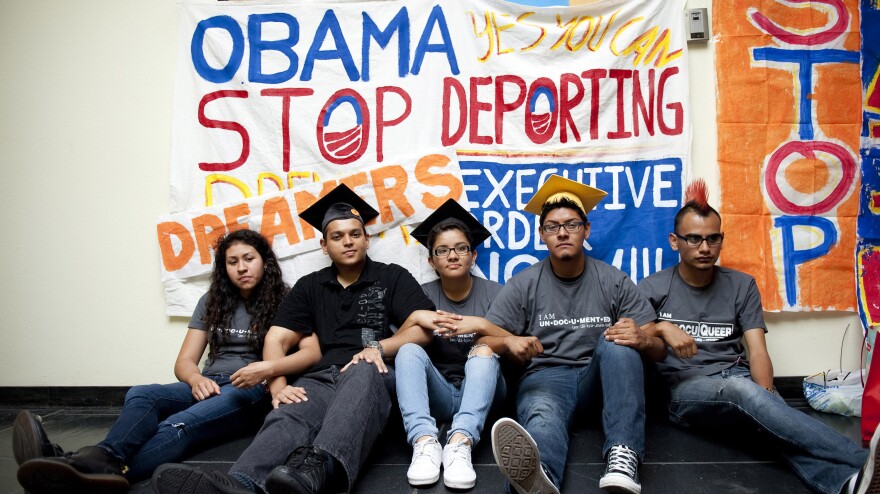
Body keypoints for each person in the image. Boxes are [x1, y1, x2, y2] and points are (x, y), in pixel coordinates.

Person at [151, 184, 437, 494]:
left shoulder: (392, 276)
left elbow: (423, 328)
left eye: (355, 234)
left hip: (376, 375)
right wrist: (278, 388)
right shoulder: (310, 286)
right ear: (324, 246)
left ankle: (319, 470)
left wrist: (378, 348)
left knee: (362, 370)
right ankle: (241, 483)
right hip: (321, 377)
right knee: (291, 411)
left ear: (367, 239)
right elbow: (276, 338)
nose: (348, 241)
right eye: (337, 237)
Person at [15, 229, 317, 494]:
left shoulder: (287, 299)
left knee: (178, 425)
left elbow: (311, 352)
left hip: (250, 390)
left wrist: (267, 369)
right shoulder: (213, 300)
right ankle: (93, 462)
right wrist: (196, 379)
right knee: (141, 393)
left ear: (265, 260)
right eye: (232, 261)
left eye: (248, 258)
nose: (241, 267)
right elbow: (185, 361)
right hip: (211, 383)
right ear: (224, 268)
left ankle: (78, 467)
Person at [637, 179, 880, 494]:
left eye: (713, 238)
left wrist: (767, 399)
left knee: (769, 428)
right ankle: (860, 459)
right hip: (685, 390)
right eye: (694, 239)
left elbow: (758, 351)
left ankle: (848, 485)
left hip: (738, 380)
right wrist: (660, 327)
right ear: (675, 241)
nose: (705, 248)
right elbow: (635, 337)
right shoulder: (653, 287)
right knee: (744, 392)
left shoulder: (741, 285)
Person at [480, 175, 666, 494]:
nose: (563, 232)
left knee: (619, 340)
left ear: (586, 230)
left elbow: (659, 349)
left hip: (601, 382)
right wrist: (509, 342)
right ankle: (540, 480)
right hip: (546, 379)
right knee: (543, 418)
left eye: (572, 224)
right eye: (552, 226)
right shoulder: (523, 283)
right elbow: (483, 342)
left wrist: (645, 338)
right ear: (542, 234)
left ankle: (624, 456)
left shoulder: (612, 280)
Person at [396, 199, 506, 489]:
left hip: (486, 394)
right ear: (432, 261)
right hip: (440, 394)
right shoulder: (418, 295)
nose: (453, 255)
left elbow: (517, 343)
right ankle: (424, 441)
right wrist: (418, 317)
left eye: (460, 248)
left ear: (473, 255)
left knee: (484, 351)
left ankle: (460, 443)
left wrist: (480, 325)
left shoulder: (497, 292)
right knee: (408, 350)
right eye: (442, 250)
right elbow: (395, 343)